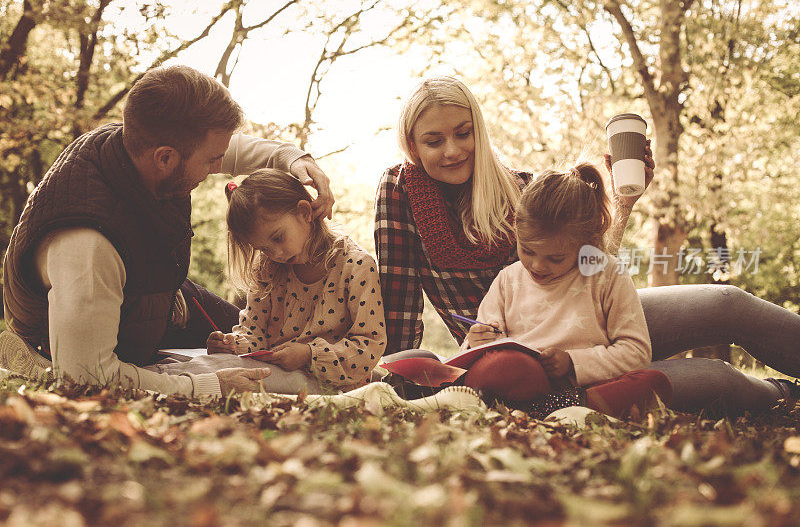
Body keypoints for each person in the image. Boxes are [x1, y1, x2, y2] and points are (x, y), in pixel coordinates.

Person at [375, 75, 800, 415]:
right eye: (434, 141)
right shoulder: (399, 192)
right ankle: (781, 395)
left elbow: (589, 269)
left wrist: (622, 203)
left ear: (478, 132)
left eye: (463, 133)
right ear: (412, 145)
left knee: (725, 301)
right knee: (712, 377)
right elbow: (398, 303)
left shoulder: (524, 188)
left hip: (588, 318)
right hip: (520, 358)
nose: (452, 150)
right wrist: (403, 373)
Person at [0, 65, 334, 398]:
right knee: (255, 372)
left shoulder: (138, 145)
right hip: (91, 319)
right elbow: (87, 378)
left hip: (156, 295)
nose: (220, 167)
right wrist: (208, 386)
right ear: (165, 159)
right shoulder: (87, 249)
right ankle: (40, 360)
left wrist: (290, 157)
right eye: (211, 161)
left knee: (262, 341)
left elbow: (225, 148)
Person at [460, 163, 671, 418]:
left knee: (654, 383)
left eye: (556, 258)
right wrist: (474, 342)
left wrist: (572, 363)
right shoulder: (508, 279)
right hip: (516, 380)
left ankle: (563, 406)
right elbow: (474, 355)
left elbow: (636, 352)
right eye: (527, 250)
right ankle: (561, 410)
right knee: (504, 365)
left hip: (582, 387)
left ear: (587, 244)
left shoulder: (606, 275)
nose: (537, 266)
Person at [161, 170, 386, 394]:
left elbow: (369, 346)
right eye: (263, 249)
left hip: (333, 383)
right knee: (213, 363)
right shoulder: (269, 268)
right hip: (274, 371)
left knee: (225, 370)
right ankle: (155, 378)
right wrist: (233, 344)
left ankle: (154, 381)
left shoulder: (356, 266)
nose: (275, 253)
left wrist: (308, 354)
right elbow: (254, 333)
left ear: (305, 212)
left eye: (278, 238)